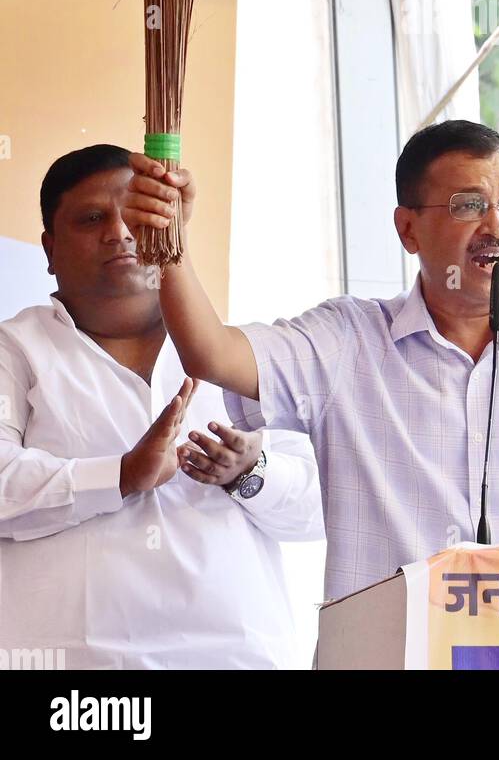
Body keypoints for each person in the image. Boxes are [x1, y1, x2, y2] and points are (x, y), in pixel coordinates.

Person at [128, 120, 499, 604]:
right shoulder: (349, 339)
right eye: (469, 206)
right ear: (407, 228)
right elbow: (210, 351)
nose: (497, 226)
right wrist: (168, 243)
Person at [0, 145, 324, 669]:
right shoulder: (16, 348)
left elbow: (322, 507)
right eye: (91, 219)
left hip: (238, 656)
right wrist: (121, 475)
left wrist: (249, 471)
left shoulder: (235, 353)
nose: (119, 232)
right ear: (49, 248)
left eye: (135, 214)